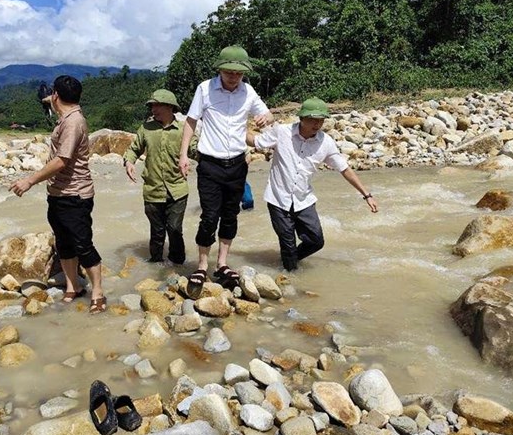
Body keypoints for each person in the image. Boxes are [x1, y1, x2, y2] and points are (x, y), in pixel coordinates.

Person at [179, 45, 272, 298]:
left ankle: (221, 264)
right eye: (229, 72)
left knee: (231, 215)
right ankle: (201, 266)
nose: (233, 77)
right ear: (220, 70)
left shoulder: (248, 92)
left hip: (237, 164)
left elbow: (266, 113)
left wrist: (266, 118)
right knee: (209, 215)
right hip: (210, 164)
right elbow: (191, 121)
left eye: (238, 73)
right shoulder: (205, 88)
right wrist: (183, 154)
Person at [9, 75, 107, 314]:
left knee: (83, 245)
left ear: (57, 96)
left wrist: (29, 180)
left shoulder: (73, 123)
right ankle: (73, 287)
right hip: (59, 193)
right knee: (64, 243)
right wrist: (49, 99)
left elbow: (62, 160)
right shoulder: (67, 115)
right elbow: (54, 100)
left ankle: (98, 292)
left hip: (75, 194)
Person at [247, 97, 379, 271]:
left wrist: (366, 195)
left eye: (321, 120)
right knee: (287, 242)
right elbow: (255, 142)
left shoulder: (326, 143)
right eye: (313, 120)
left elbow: (344, 169)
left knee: (316, 241)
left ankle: (288, 261)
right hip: (278, 199)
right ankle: (290, 278)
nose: (317, 125)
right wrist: (232, 127)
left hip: (304, 200)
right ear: (301, 118)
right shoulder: (282, 132)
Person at [123, 89, 195, 264]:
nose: (153, 109)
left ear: (170, 107)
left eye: (158, 105)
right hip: (152, 189)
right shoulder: (146, 128)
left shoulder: (182, 130)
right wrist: (129, 162)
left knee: (175, 229)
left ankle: (178, 264)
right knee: (157, 230)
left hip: (177, 189)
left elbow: (196, 149)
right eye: (152, 105)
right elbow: (134, 149)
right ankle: (155, 264)